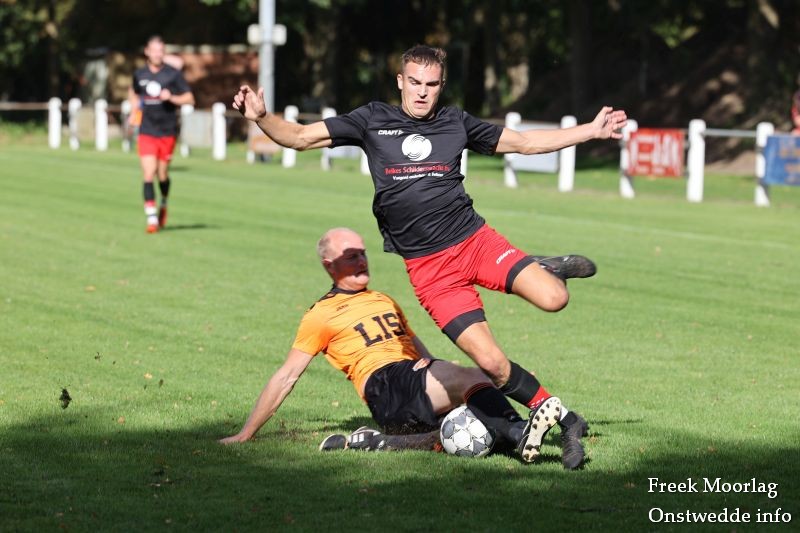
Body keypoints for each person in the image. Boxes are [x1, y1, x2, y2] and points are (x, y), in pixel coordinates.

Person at [232, 45, 621, 468]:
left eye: (431, 85)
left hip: (475, 242)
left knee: (555, 298)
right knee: (491, 363)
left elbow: (525, 143)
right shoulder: (372, 120)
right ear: (400, 81)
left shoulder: (456, 122)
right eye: (414, 82)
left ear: (441, 85)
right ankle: (565, 419)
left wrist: (591, 130)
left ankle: (539, 269)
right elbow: (300, 136)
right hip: (431, 272)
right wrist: (262, 117)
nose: (422, 92)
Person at [220, 228, 566, 465]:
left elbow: (413, 343)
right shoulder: (320, 315)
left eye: (363, 254)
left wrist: (432, 364)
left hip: (411, 382)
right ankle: (520, 431)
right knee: (477, 377)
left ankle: (380, 442)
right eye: (351, 256)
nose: (362, 261)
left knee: (482, 414)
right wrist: (246, 433)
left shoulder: (383, 299)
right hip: (384, 385)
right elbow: (286, 376)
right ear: (329, 265)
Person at [128, 35, 194, 233]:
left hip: (167, 131)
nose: (158, 54)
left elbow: (190, 98)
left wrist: (171, 97)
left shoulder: (173, 74)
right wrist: (134, 109)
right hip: (146, 130)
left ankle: (163, 202)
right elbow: (133, 92)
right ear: (147, 52)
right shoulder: (140, 74)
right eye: (154, 50)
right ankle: (152, 219)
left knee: (162, 174)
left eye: (161, 51)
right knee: (148, 173)